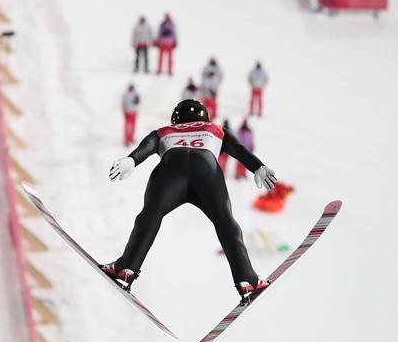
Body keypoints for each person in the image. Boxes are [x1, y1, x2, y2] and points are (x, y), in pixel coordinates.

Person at [102, 100, 277, 298]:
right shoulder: (217, 129)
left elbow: (147, 146)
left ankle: (126, 269)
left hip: (171, 170)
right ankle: (248, 280)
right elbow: (238, 148)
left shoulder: (165, 130)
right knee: (226, 223)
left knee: (149, 216)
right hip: (207, 171)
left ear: (175, 118)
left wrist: (131, 160)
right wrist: (257, 166)